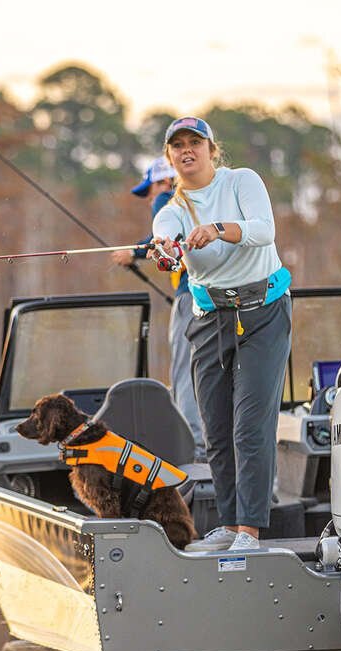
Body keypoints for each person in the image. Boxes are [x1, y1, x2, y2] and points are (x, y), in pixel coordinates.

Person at [149, 116, 291, 552]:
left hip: (263, 311)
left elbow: (264, 231)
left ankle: (249, 529)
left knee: (250, 422)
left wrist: (217, 230)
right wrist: (168, 253)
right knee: (215, 425)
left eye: (195, 142)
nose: (186, 150)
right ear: (170, 157)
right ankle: (229, 522)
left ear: (212, 149)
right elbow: (164, 239)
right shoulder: (171, 211)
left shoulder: (240, 182)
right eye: (178, 146)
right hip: (211, 320)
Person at [111, 157, 205, 461]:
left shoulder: (167, 198)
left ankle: (196, 447)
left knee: (184, 371)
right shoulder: (202, 200)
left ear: (164, 182)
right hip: (216, 296)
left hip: (192, 298)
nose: (150, 198)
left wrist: (134, 252)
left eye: (149, 190)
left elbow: (164, 235)